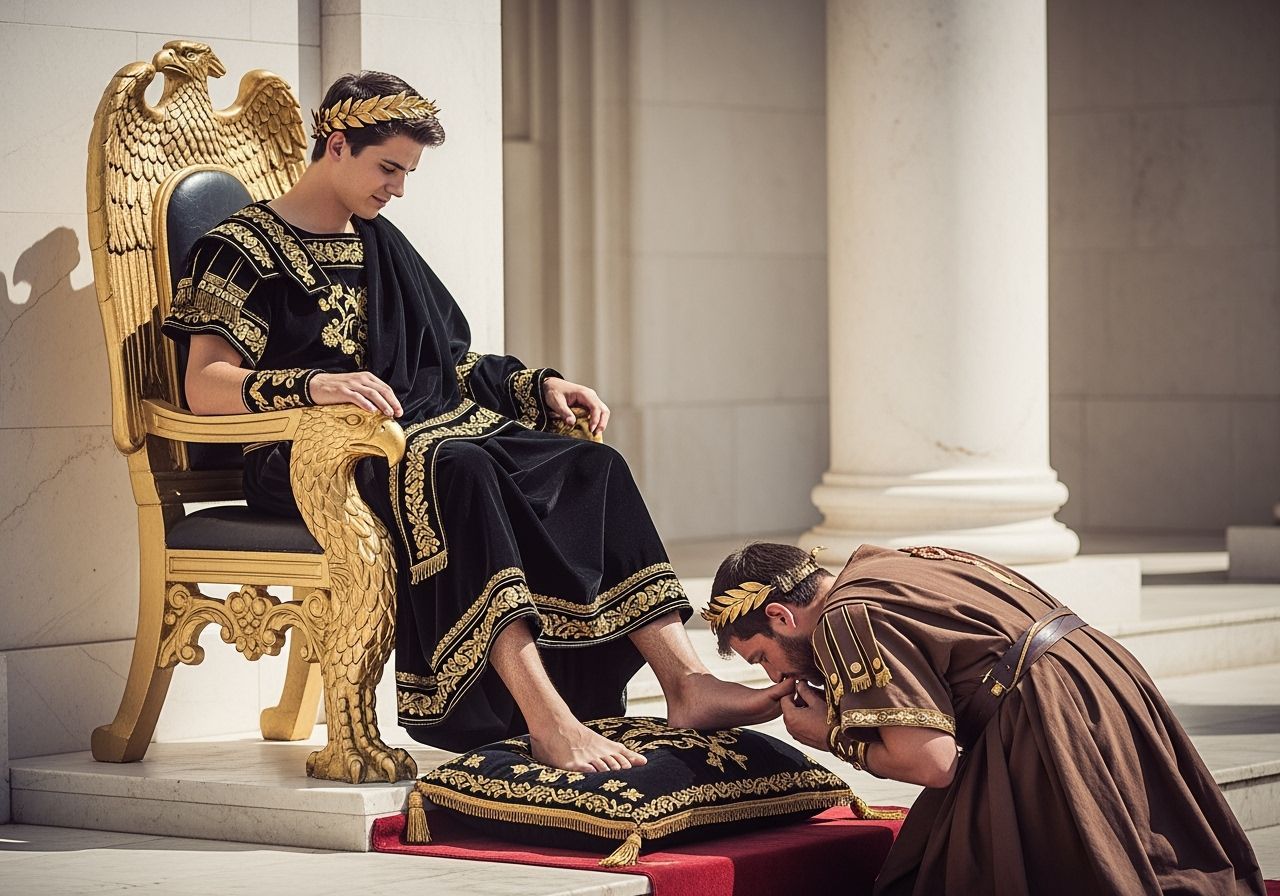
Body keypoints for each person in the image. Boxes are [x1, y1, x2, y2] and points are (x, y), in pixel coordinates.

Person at [161, 70, 791, 773]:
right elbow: (203, 387)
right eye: (388, 168)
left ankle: (686, 684)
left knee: (592, 466)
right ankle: (546, 719)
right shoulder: (238, 248)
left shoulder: (380, 241)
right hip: (303, 459)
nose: (397, 187)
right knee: (462, 469)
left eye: (407, 172)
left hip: (407, 436)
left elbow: (440, 364)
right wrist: (315, 384)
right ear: (335, 145)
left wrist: (539, 386)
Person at [706, 542, 1265, 895]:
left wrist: (826, 734)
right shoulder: (908, 559)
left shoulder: (845, 617)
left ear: (780, 615)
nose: (773, 675)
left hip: (1046, 717)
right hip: (1106, 678)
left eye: (762, 657)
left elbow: (931, 762)